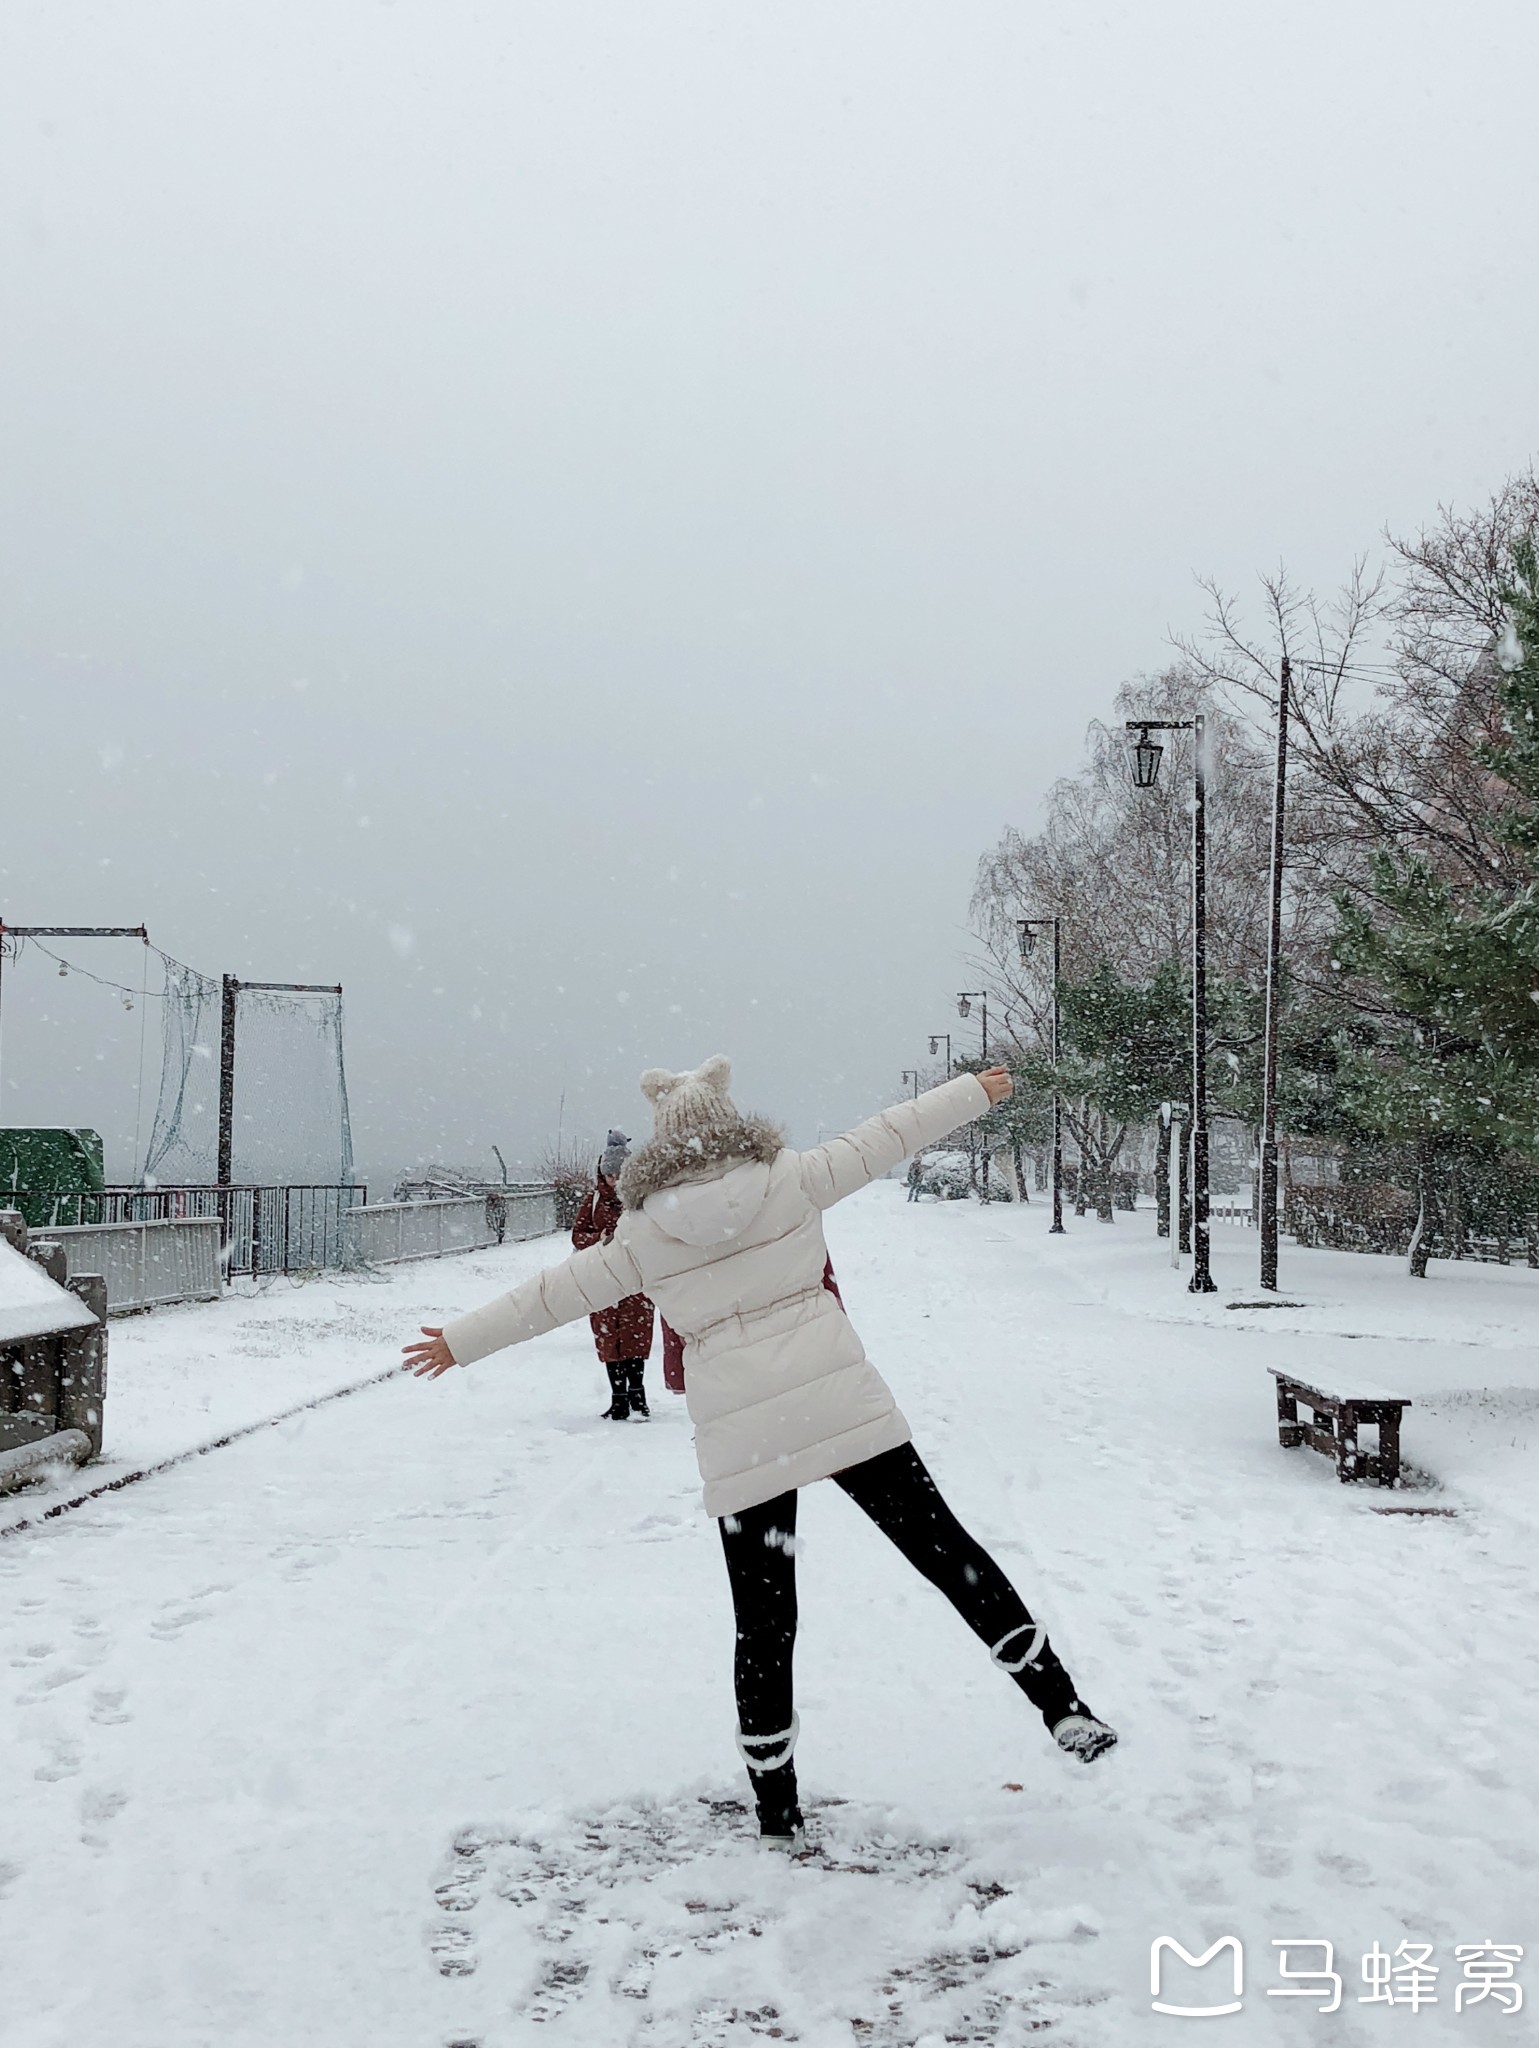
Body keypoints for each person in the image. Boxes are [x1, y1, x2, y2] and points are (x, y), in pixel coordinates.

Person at [406, 1058, 1117, 1845]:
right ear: (732, 1123)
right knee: (948, 1554)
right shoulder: (791, 1178)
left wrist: (460, 1342)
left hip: (747, 1438)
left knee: (765, 1618)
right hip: (839, 1403)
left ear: (662, 1144)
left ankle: (775, 1803)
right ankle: (1063, 1709)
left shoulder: (641, 1236)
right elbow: (888, 1134)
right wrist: (973, 1091)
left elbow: (552, 1294)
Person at [570, 1129, 653, 1420]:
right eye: (610, 1176)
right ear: (603, 1175)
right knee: (609, 1343)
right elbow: (578, 1235)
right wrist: (600, 1238)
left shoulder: (642, 1201)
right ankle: (618, 1400)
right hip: (602, 1280)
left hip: (635, 1281)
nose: (615, 1182)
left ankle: (638, 1397)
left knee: (635, 1340)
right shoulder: (593, 1201)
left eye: (620, 1176)